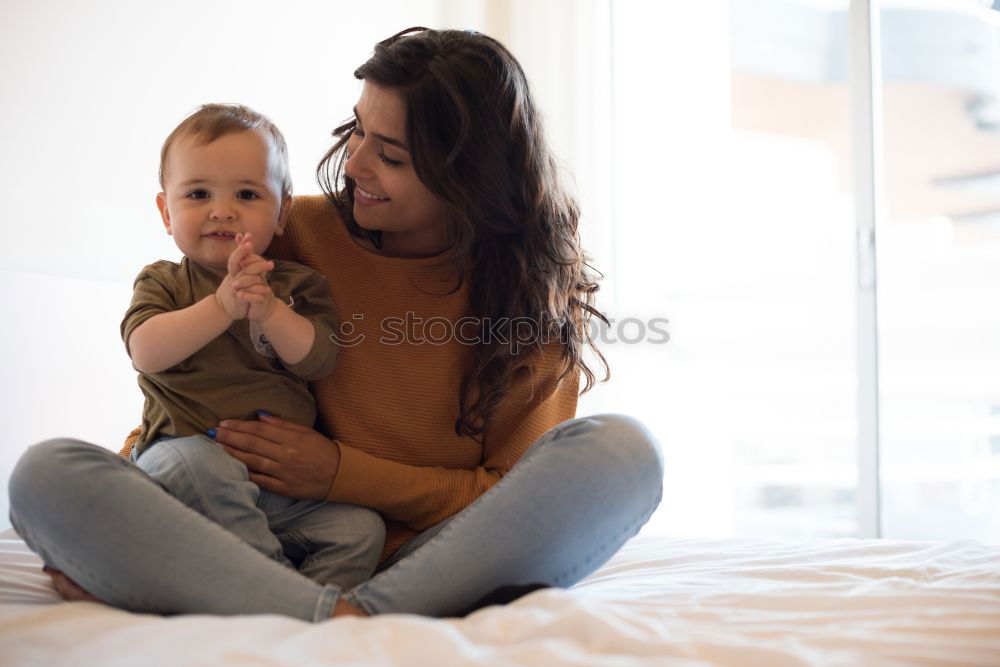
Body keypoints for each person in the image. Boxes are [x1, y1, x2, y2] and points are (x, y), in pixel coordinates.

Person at [8, 27, 664, 622]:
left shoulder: (533, 306)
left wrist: (339, 473)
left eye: (393, 156)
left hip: (430, 562)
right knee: (46, 474)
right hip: (255, 537)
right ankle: (331, 618)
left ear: (469, 178)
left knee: (624, 452)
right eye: (356, 131)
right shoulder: (287, 231)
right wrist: (127, 503)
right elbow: (198, 389)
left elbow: (507, 496)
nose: (353, 165)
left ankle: (340, 611)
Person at [117, 103, 385, 590]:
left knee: (361, 530)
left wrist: (270, 312)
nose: (222, 209)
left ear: (283, 212)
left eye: (246, 193)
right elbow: (146, 352)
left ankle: (288, 609)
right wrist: (221, 306)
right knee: (197, 467)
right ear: (165, 211)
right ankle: (278, 593)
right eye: (198, 193)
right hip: (182, 458)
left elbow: (320, 359)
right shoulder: (164, 282)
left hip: (273, 488)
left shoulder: (297, 285)